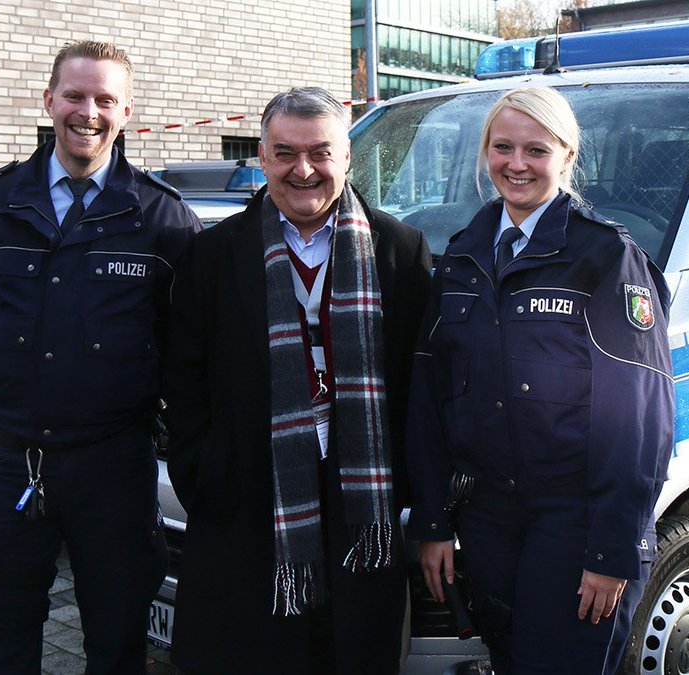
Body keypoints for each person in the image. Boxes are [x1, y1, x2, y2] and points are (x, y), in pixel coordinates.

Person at [0, 40, 201, 673]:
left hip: (114, 466)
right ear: (48, 100)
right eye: (76, 95)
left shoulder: (162, 217)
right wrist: (19, 388)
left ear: (127, 111)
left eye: (105, 99)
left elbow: (187, 343)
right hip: (10, 460)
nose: (89, 111)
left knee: (117, 643)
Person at [406, 86, 675, 675]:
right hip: (488, 519)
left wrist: (613, 548)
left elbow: (637, 417)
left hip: (574, 520)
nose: (517, 164)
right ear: (485, 153)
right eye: (503, 147)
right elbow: (428, 399)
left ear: (567, 157)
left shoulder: (603, 257)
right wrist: (432, 519)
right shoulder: (463, 255)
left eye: (536, 149)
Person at [164, 86, 431, 675]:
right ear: (262, 157)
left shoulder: (400, 251)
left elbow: (420, 384)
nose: (303, 170)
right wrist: (205, 472)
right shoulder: (212, 255)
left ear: (349, 158)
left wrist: (406, 486)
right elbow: (183, 379)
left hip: (362, 509)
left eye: (321, 153)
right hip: (246, 504)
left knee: (352, 655)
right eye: (284, 152)